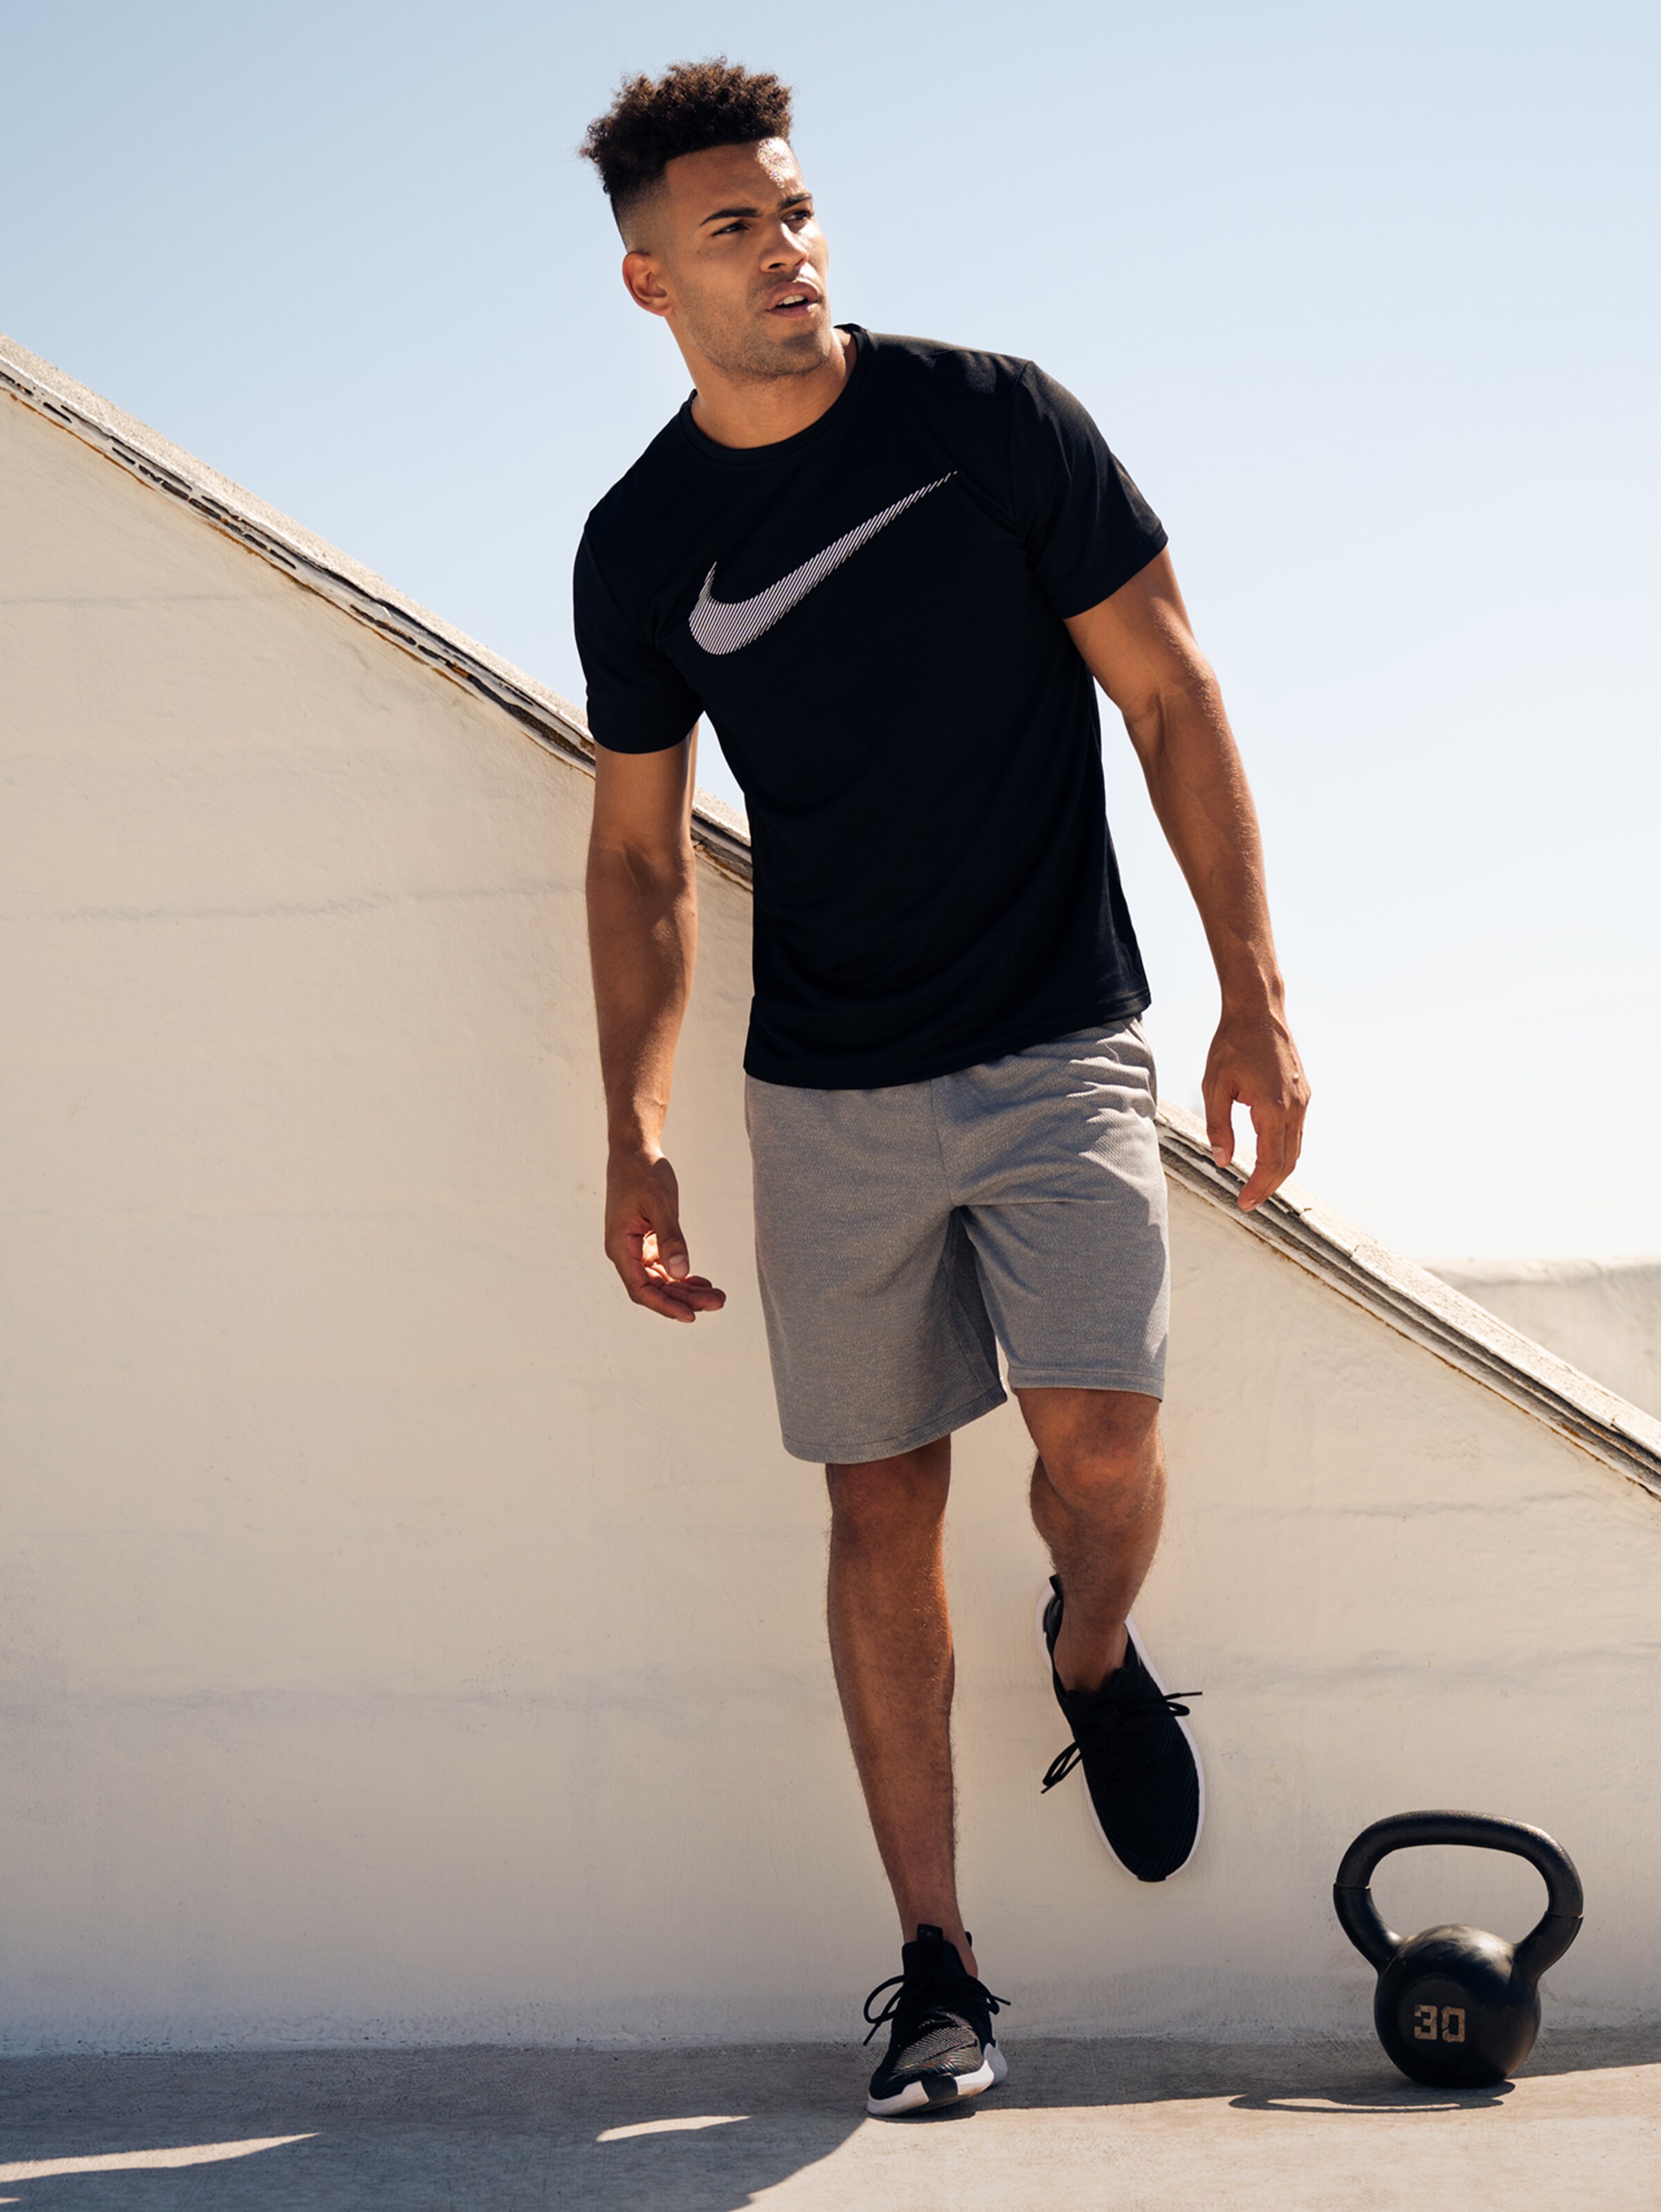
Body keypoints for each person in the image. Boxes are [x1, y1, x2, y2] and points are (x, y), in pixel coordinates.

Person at [574, 59, 1309, 2118]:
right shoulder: (642, 543)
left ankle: (1090, 1650)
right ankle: (938, 1967)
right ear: (652, 282)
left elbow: (1169, 689)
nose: (786, 251)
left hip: (1059, 1035)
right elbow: (641, 859)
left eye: (797, 211)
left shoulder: (991, 422)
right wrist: (634, 1127)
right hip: (826, 1088)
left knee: (1102, 1440)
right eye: (736, 228)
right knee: (881, 1501)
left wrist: (1253, 993)